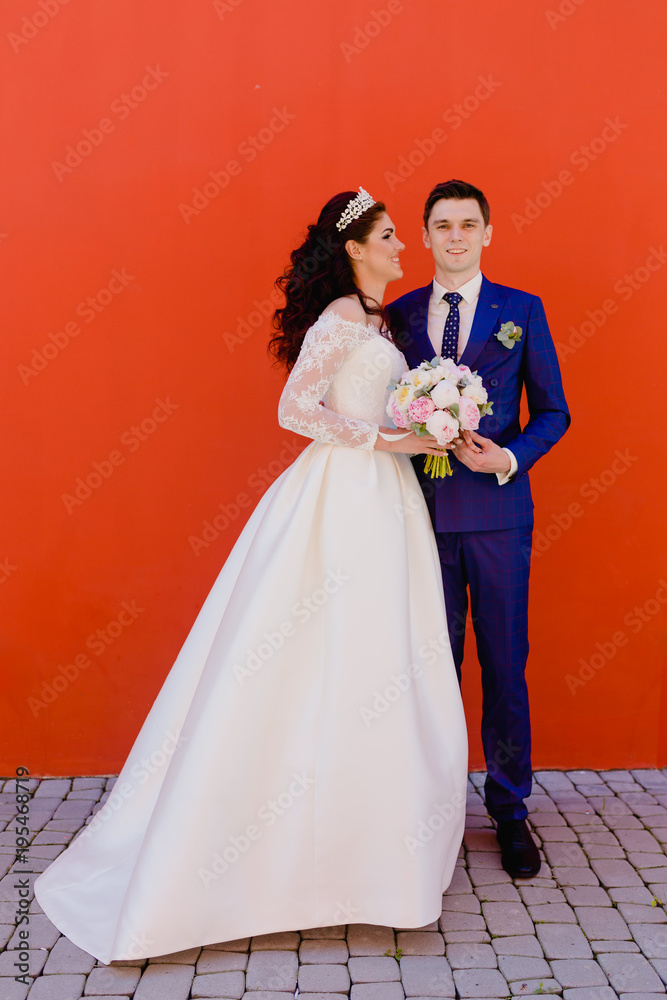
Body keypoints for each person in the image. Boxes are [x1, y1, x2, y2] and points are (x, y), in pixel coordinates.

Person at [34, 188, 469, 964]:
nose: (403, 246)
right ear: (355, 249)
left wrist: (422, 425)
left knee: (377, 654)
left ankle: (370, 850)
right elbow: (294, 410)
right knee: (324, 648)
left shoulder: (374, 319)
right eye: (389, 236)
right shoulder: (340, 318)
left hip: (384, 497)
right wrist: (385, 440)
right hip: (343, 495)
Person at [388, 179, 570, 878]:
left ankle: (509, 808)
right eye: (443, 225)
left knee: (502, 664)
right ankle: (426, 805)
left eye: (468, 224)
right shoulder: (399, 316)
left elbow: (553, 411)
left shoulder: (521, 311)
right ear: (425, 236)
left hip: (497, 516)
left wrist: (509, 457)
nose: (456, 236)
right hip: (418, 516)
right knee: (426, 666)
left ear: (487, 233)